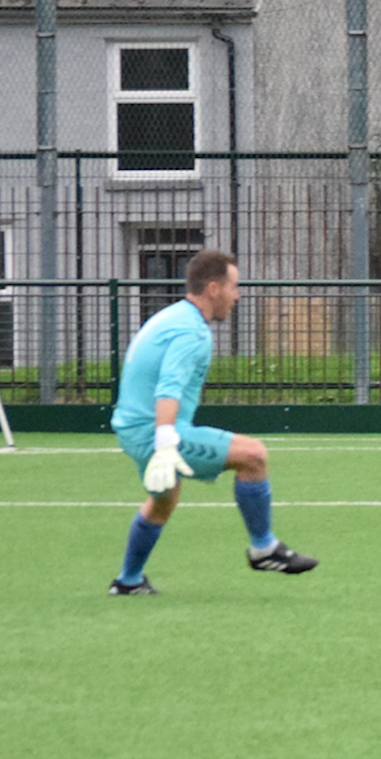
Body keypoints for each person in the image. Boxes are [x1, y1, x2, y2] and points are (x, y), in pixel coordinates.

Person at [108, 249, 316, 594]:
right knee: (253, 455)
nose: (238, 296)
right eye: (234, 287)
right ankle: (264, 549)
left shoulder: (173, 316)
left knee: (164, 500)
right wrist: (165, 445)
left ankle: (128, 581)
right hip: (153, 432)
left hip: (132, 428)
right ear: (214, 288)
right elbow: (168, 387)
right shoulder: (192, 331)